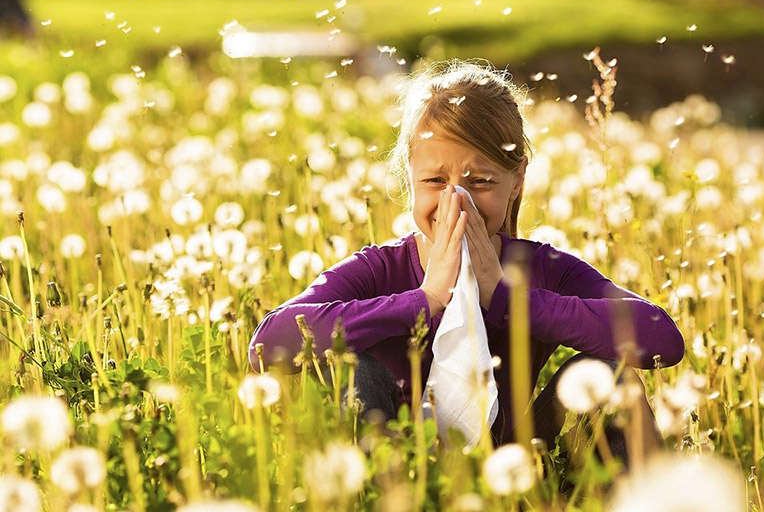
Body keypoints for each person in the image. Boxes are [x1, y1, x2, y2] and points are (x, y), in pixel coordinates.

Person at [248, 59, 685, 460]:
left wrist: (508, 298)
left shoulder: (541, 269)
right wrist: (426, 298)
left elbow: (662, 338)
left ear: (516, 181)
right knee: (352, 369)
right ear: (410, 178)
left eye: (479, 181)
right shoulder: (381, 269)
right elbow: (267, 344)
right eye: (436, 180)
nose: (456, 201)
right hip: (396, 465)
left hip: (519, 466)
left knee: (612, 377)